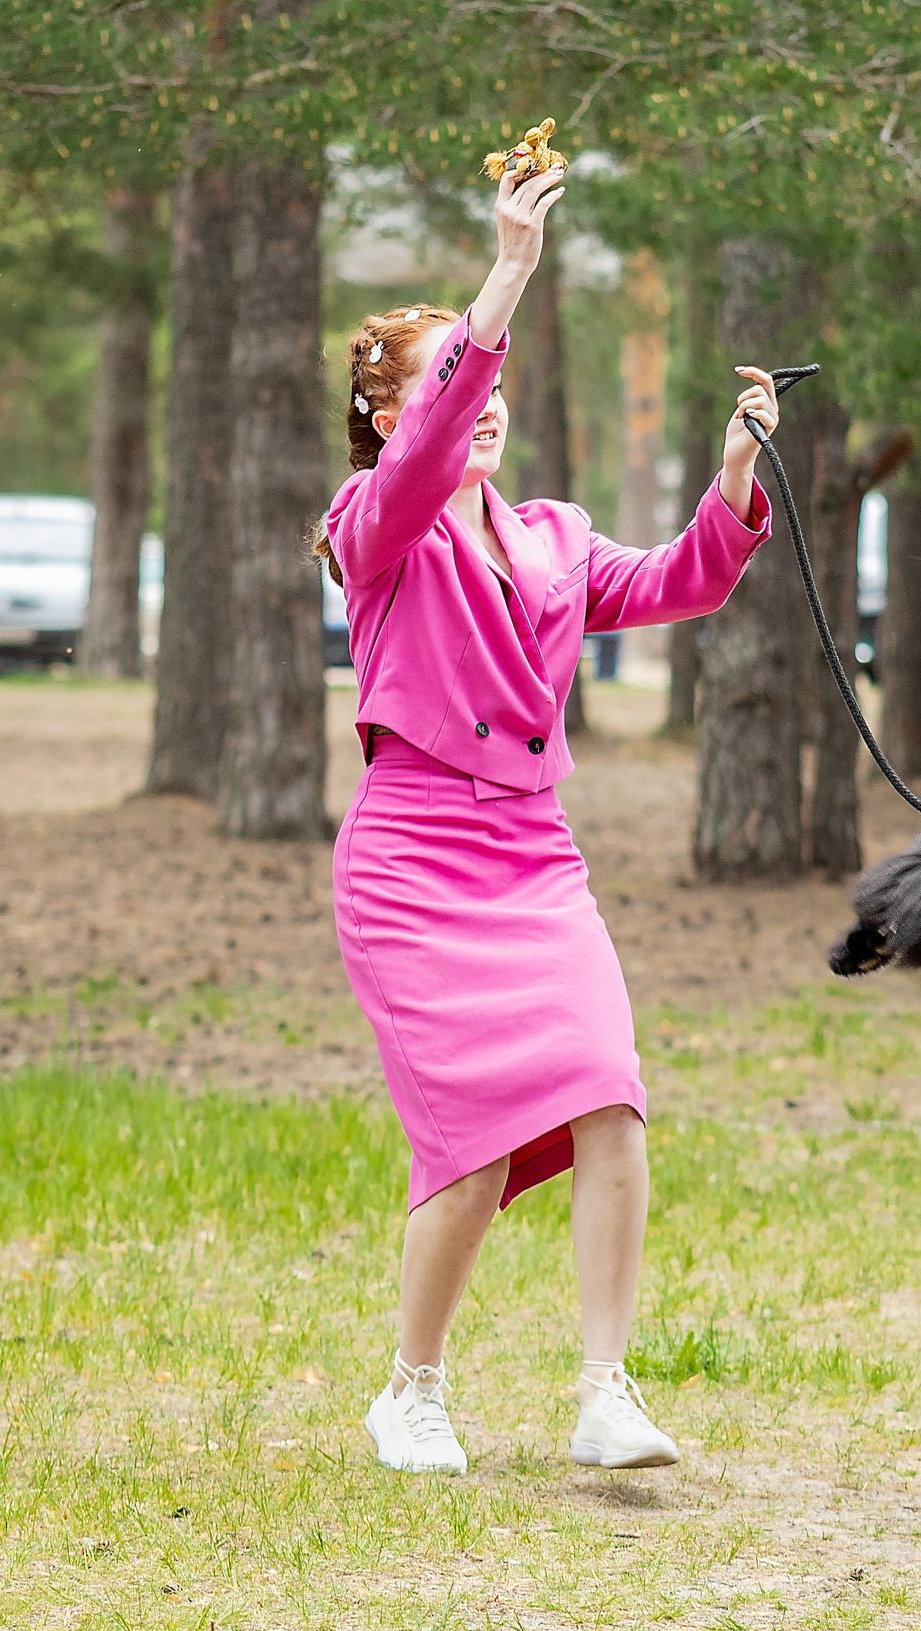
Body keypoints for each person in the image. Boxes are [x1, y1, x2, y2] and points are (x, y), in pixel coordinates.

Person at [316, 159, 779, 1475]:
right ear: (393, 416)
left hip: (532, 854)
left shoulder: (558, 538)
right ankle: (412, 1391)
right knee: (467, 1144)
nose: (486, 405)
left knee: (609, 1103)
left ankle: (604, 1390)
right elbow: (414, 469)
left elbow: (684, 581)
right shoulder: (376, 527)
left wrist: (736, 472)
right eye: (453, 384)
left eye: (495, 388)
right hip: (411, 857)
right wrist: (507, 274)